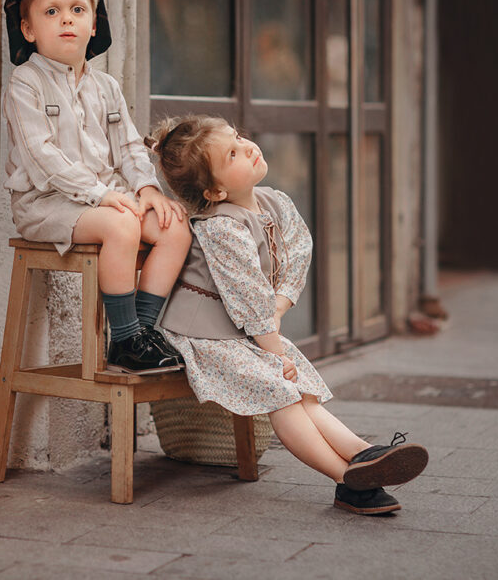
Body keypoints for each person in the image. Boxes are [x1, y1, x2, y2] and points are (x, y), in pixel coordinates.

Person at [145, 116, 429, 515]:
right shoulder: (220, 227)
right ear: (215, 190)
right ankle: (346, 479)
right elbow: (247, 297)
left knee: (301, 390)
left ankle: (365, 454)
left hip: (246, 329)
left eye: (239, 138)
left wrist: (281, 308)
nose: (246, 146)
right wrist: (275, 352)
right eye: (231, 153)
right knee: (281, 390)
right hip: (203, 334)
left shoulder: (275, 202)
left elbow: (298, 251)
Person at [2, 0, 191, 373]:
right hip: (46, 203)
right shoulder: (25, 82)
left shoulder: (106, 86)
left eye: (77, 10)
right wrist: (102, 195)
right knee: (121, 224)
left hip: (105, 200)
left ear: (93, 24)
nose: (66, 20)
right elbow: (41, 155)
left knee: (173, 226)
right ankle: (123, 339)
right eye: (52, 11)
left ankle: (140, 332)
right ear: (28, 28)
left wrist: (146, 189)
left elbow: (127, 146)